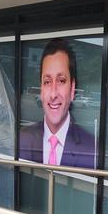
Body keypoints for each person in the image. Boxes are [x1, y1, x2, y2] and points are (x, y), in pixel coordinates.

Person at [19, 39, 96, 168]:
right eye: (47, 82)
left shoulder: (91, 148)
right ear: (42, 89)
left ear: (72, 89)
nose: (53, 94)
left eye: (61, 81)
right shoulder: (23, 139)